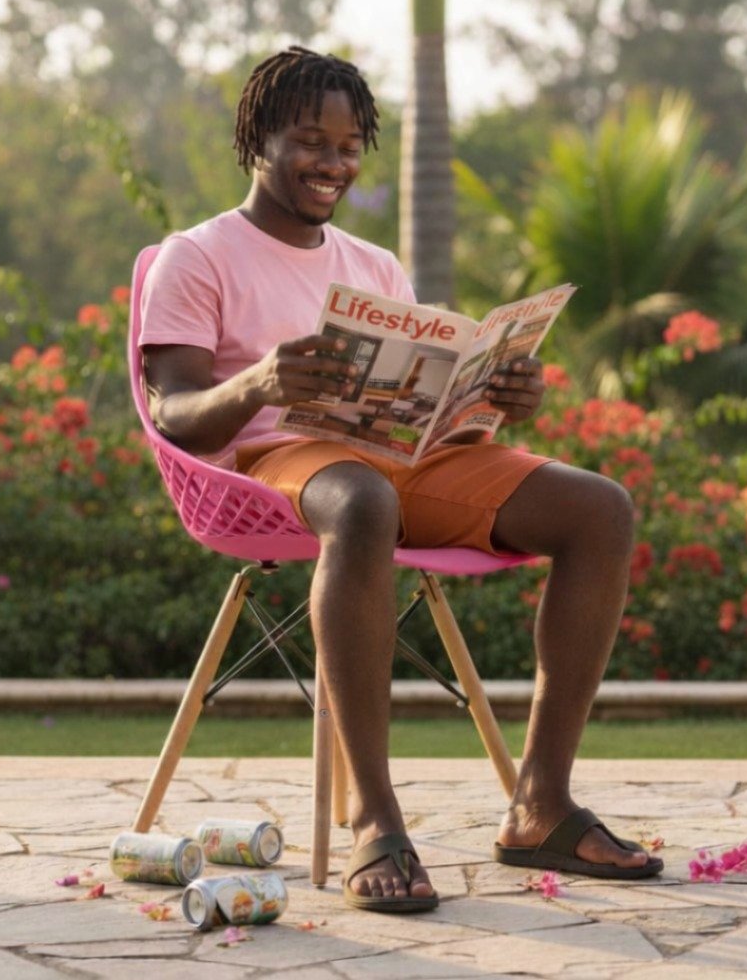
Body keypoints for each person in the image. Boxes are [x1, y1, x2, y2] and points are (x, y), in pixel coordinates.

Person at [139, 46, 662, 913]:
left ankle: (541, 806)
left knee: (599, 509)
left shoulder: (375, 265)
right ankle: (375, 819)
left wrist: (496, 397)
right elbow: (174, 411)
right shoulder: (196, 257)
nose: (333, 163)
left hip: (400, 458)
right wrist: (260, 383)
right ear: (258, 139)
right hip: (279, 463)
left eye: (349, 147)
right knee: (363, 501)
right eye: (311, 142)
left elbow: (424, 410)